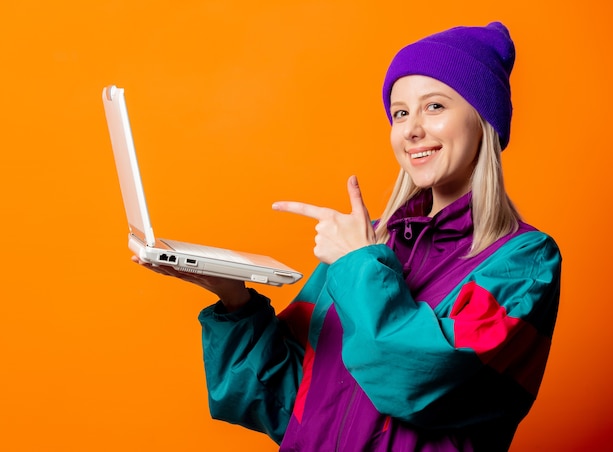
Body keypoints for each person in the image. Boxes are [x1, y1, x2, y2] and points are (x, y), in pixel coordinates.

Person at [134, 22, 561, 451]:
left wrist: (359, 262)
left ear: (483, 120)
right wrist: (236, 302)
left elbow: (414, 381)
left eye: (434, 106)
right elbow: (284, 404)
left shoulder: (525, 262)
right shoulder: (369, 245)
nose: (411, 129)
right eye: (400, 112)